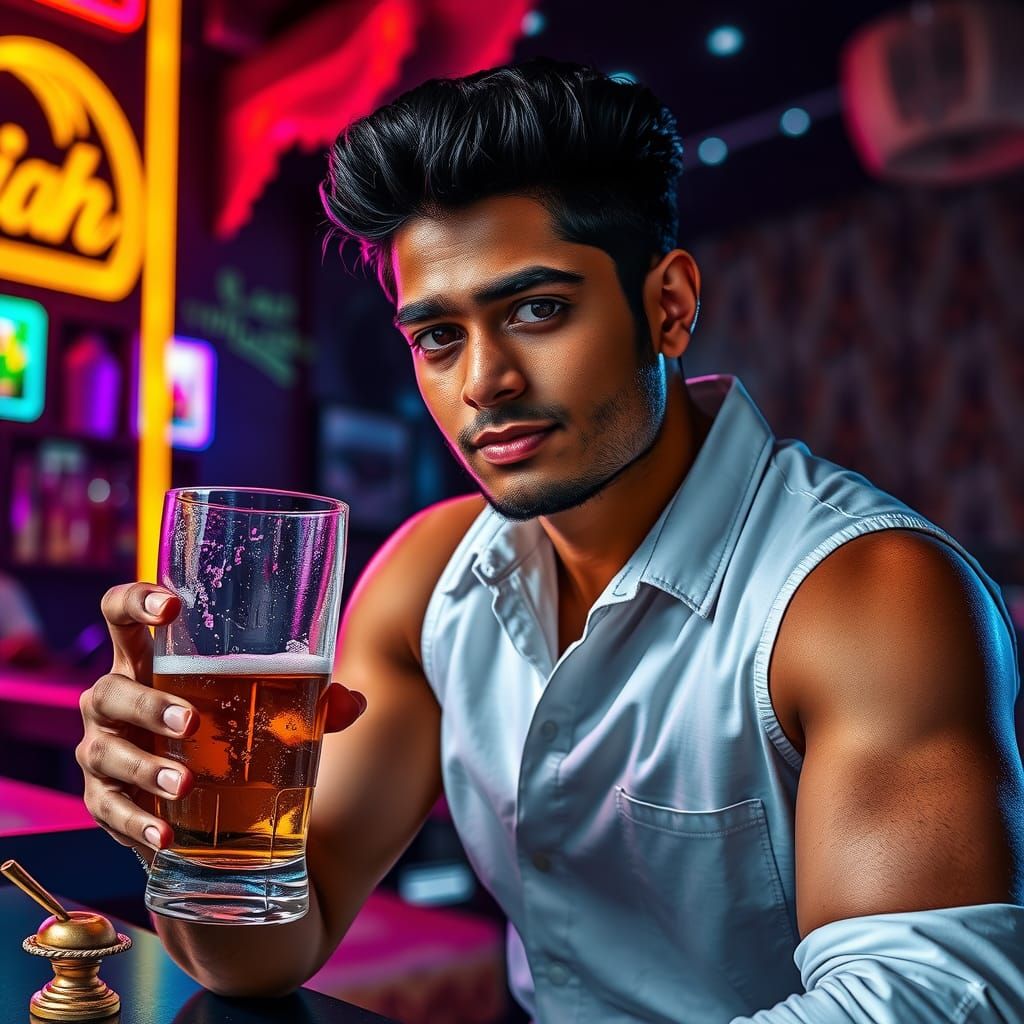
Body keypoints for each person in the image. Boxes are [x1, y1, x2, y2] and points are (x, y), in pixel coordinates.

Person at [77, 60, 1024, 1022]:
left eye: (537, 310)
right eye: (438, 337)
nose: (484, 381)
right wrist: (188, 823)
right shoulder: (426, 579)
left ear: (669, 305)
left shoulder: (870, 592)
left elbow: (924, 1004)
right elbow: (271, 948)